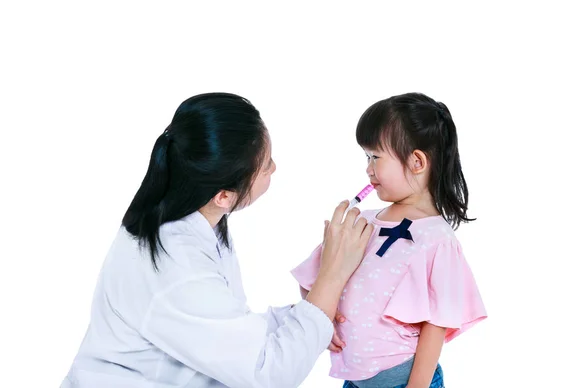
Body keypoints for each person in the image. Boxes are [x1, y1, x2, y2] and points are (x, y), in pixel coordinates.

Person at [60, 92, 374, 388]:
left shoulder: (188, 218)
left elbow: (222, 325)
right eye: (265, 166)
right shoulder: (178, 266)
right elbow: (269, 374)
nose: (274, 168)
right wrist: (331, 275)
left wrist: (304, 318)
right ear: (223, 195)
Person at [292, 93, 487, 388]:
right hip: (355, 382)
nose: (368, 169)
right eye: (366, 157)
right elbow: (315, 277)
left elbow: (436, 323)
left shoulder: (436, 238)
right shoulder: (364, 223)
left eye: (375, 157)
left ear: (417, 161)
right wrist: (323, 321)